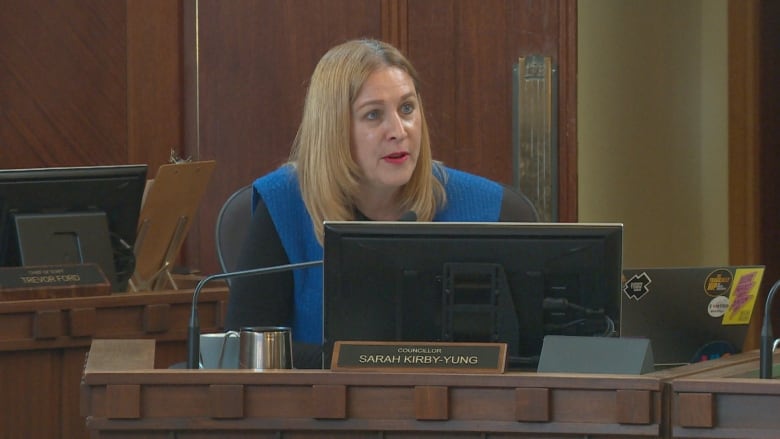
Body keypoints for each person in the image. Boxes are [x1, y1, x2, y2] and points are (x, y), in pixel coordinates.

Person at [224, 39, 537, 367]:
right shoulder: (284, 205)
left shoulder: (490, 210)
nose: (399, 131)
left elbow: (529, 358)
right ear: (334, 130)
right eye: (373, 115)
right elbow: (245, 355)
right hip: (320, 412)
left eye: (407, 108)